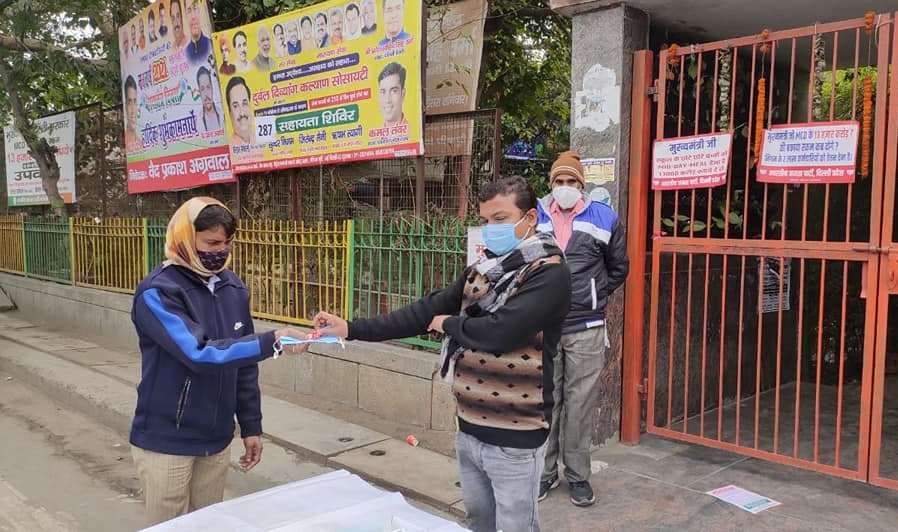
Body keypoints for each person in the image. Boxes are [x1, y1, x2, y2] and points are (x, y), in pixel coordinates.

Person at [314, 176, 571, 532]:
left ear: (529, 218)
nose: (491, 229)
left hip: (516, 436)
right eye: (485, 220)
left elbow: (501, 331)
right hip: (469, 429)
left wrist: (448, 324)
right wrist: (351, 328)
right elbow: (424, 311)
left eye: (500, 219)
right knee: (478, 521)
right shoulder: (482, 270)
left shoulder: (549, 272)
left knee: (516, 526)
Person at [129, 198, 309, 527]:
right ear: (185, 238)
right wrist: (271, 341)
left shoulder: (232, 287)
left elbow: (243, 366)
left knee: (208, 524)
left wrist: (251, 426)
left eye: (226, 243)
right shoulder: (158, 293)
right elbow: (198, 354)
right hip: (168, 439)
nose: (221, 251)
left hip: (216, 438)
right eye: (211, 243)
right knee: (169, 527)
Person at [536, 151, 629, 508]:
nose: (565, 187)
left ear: (581, 184)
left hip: (585, 327)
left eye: (571, 181)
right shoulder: (535, 215)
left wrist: (594, 295)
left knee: (579, 405)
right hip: (543, 326)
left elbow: (618, 267)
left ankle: (577, 476)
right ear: (551, 184)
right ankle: (544, 473)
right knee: (546, 402)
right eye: (559, 181)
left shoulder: (604, 217)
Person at [184, 0, 212, 64]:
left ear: (199, 10)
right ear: (185, 15)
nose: (193, 16)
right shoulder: (185, 54)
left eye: (195, 8)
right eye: (189, 11)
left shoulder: (211, 44)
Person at [377, 62, 407, 128]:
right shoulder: (372, 133)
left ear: (403, 94)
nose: (387, 100)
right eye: (383, 92)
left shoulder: (413, 130)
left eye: (394, 91)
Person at [226, 76, 254, 146]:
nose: (242, 113)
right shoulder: (230, 147)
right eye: (235, 106)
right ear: (230, 113)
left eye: (244, 104)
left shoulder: (261, 142)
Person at [197, 67, 220, 132]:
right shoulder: (198, 121)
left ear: (212, 88)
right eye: (202, 89)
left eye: (208, 87)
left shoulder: (222, 113)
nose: (206, 94)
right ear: (199, 92)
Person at [123, 75, 142, 151]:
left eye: (135, 101)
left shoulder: (141, 144)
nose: (133, 110)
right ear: (125, 106)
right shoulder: (124, 142)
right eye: (129, 102)